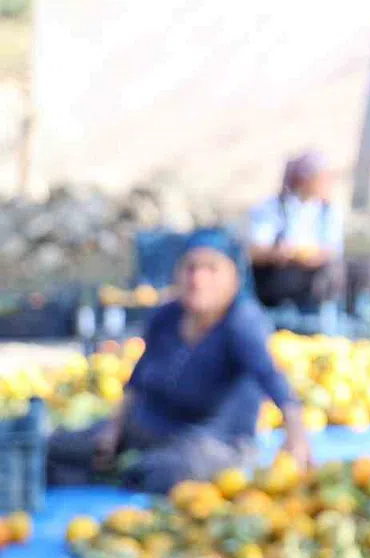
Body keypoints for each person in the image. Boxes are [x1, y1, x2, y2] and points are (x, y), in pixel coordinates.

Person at [47, 229, 311, 493]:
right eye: (190, 268)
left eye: (211, 269)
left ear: (234, 276)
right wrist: (112, 431)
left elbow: (273, 380)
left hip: (212, 442)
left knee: (167, 471)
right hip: (148, 430)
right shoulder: (167, 317)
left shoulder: (241, 322)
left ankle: (118, 473)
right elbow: (137, 382)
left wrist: (296, 438)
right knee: (55, 446)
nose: (198, 279)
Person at [247, 151, 345, 310]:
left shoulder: (329, 211)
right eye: (322, 178)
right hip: (278, 274)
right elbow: (256, 251)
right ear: (305, 179)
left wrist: (314, 256)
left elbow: (332, 250)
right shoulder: (273, 207)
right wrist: (280, 253)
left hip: (317, 275)